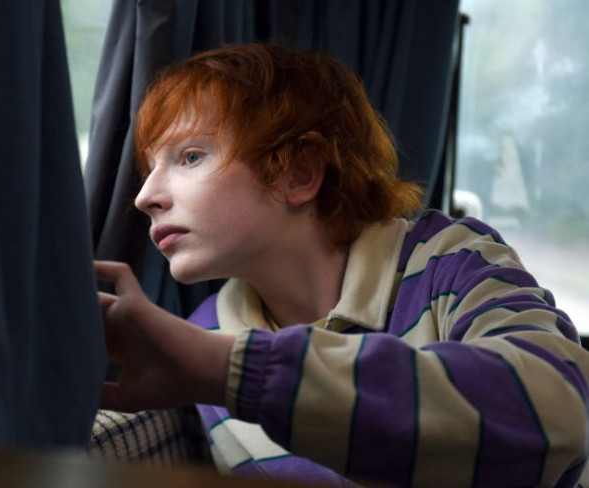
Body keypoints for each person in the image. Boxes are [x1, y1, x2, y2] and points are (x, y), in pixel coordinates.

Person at [94, 43, 589, 486]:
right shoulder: (204, 330)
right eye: (150, 168)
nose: (145, 196)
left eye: (190, 157)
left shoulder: (452, 263)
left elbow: (559, 410)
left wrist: (231, 369)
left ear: (300, 172)